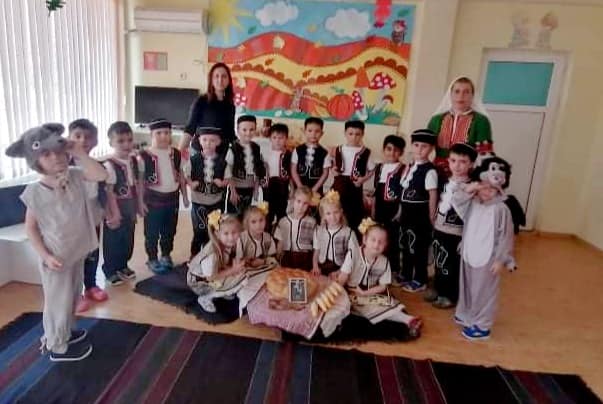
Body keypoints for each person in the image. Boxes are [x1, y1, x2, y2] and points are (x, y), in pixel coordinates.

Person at [6, 123, 107, 361]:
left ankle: (65, 332)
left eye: (59, 151)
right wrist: (46, 256)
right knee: (57, 303)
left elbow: (101, 175)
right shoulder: (35, 192)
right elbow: (31, 228)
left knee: (72, 296)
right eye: (46, 154)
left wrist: (79, 153)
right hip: (56, 259)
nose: (56, 158)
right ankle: (56, 345)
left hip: (76, 252)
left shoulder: (75, 176)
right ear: (35, 161)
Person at [452, 156, 516, 340]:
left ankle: (482, 325)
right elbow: (456, 199)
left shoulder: (501, 209)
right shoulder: (473, 203)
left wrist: (500, 259)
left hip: (488, 258)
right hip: (469, 253)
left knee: (484, 291)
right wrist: (471, 188)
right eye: (484, 187)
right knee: (467, 286)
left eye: (492, 189)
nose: (487, 192)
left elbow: (506, 237)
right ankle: (467, 313)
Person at [337, 218, 422, 338]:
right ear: (364, 240)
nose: (376, 244)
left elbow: (383, 286)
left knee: (388, 303)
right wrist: (337, 291)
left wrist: (365, 293)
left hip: (370, 292)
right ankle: (407, 320)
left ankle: (410, 320)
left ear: (385, 245)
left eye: (381, 242)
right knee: (366, 307)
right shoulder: (353, 254)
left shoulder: (384, 261)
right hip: (352, 292)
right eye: (373, 240)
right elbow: (343, 276)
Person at [425, 143, 477, 309]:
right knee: (439, 261)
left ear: (471, 164)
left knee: (452, 265)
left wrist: (466, 237)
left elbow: (473, 214)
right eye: (453, 160)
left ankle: (450, 295)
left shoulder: (472, 186)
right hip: (440, 229)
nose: (457, 165)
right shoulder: (445, 181)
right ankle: (438, 289)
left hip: (456, 233)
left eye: (463, 162)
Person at [67, 119, 108, 312]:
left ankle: (91, 285)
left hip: (94, 218)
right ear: (68, 139)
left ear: (95, 141)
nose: (83, 140)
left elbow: (103, 189)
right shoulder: (63, 165)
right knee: (76, 258)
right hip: (73, 222)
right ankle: (75, 294)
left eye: (88, 137)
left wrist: (107, 211)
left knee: (92, 254)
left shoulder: (96, 165)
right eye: (77, 136)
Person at [139, 118, 189, 274]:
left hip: (172, 200)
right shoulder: (144, 155)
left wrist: (185, 196)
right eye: (159, 133)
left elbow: (181, 176)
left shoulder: (176, 154)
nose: (163, 136)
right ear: (151, 135)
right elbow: (139, 182)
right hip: (152, 201)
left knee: (169, 230)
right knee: (152, 232)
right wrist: (140, 202)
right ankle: (152, 258)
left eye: (167, 133)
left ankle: (166, 255)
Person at [102, 122, 143, 286]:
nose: (126, 144)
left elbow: (137, 185)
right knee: (113, 240)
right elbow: (108, 192)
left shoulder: (134, 160)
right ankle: (110, 270)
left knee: (128, 238)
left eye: (129, 140)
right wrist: (113, 213)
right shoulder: (109, 165)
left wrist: (139, 205)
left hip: (130, 207)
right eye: (120, 141)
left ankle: (123, 265)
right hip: (116, 208)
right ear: (111, 143)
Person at [427, 76, 493, 177]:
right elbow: (425, 147)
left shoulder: (481, 121)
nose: (461, 96)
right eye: (457, 91)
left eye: (466, 92)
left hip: (466, 174)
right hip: (437, 172)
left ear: (472, 95)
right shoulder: (436, 119)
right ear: (450, 94)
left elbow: (484, 153)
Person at [399, 129, 438, 293]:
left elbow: (432, 194)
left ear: (431, 148)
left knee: (419, 247)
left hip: (420, 214)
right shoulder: (410, 167)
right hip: (406, 213)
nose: (419, 149)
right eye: (416, 145)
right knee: (406, 244)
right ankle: (406, 274)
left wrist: (432, 215)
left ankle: (420, 279)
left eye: (424, 146)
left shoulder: (429, 170)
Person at [187, 210, 246, 313]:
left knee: (241, 273)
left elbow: (222, 264)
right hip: (200, 285)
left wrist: (233, 269)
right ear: (217, 234)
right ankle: (206, 297)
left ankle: (223, 290)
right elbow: (210, 277)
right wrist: (232, 270)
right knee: (242, 278)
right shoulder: (212, 254)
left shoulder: (224, 245)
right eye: (226, 233)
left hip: (209, 277)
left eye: (234, 233)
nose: (231, 237)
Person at [185, 126, 230, 258]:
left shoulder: (223, 162)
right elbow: (186, 174)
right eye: (205, 140)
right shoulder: (193, 160)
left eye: (212, 140)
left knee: (213, 229)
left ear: (218, 142)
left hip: (216, 201)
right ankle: (194, 255)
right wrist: (191, 183)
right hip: (198, 201)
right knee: (199, 229)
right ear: (199, 141)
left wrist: (222, 183)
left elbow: (228, 178)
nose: (208, 143)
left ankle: (210, 254)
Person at [181, 62, 236, 156]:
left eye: (224, 76)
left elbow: (230, 134)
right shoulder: (201, 101)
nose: (220, 80)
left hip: (221, 155)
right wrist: (179, 153)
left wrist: (244, 145)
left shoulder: (230, 106)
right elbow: (190, 128)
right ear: (211, 80)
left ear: (228, 80)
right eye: (216, 76)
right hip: (200, 153)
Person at [332, 120, 375, 233]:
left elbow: (372, 170)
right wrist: (333, 170)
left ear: (362, 134)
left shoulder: (366, 152)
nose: (354, 137)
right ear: (345, 133)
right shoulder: (338, 149)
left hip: (355, 185)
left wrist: (363, 179)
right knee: (337, 208)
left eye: (357, 134)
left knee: (354, 211)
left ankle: (352, 235)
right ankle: (336, 232)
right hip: (339, 184)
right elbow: (334, 165)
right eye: (350, 134)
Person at [372, 134, 406, 277]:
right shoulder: (379, 167)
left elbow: (403, 193)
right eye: (389, 149)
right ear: (383, 149)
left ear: (401, 152)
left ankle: (394, 269)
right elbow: (376, 191)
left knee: (392, 239)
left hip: (394, 208)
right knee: (379, 237)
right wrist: (373, 210)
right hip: (380, 207)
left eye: (396, 150)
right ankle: (379, 267)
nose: (392, 153)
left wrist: (400, 211)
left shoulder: (403, 168)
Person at [226, 115, 266, 216]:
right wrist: (233, 191)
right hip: (236, 187)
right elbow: (228, 171)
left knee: (246, 214)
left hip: (250, 187)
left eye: (251, 129)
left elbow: (258, 169)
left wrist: (256, 188)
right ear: (238, 130)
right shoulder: (233, 148)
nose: (248, 133)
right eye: (244, 130)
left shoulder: (256, 148)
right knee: (234, 215)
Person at [312, 190, 359, 277]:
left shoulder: (349, 233)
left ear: (341, 212)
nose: (333, 217)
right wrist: (315, 266)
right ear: (323, 215)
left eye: (336, 212)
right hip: (321, 267)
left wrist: (340, 271)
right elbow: (316, 251)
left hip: (341, 268)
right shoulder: (318, 231)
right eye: (328, 213)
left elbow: (353, 256)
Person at [274, 186, 316, 270]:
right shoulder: (283, 221)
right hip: (286, 256)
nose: (301, 206)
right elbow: (280, 241)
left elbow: (316, 245)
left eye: (305, 203)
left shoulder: (312, 222)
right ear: (293, 201)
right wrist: (278, 257)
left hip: (304, 257)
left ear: (309, 204)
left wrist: (315, 264)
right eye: (298, 201)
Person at [291, 117, 331, 196]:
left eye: (317, 131)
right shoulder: (298, 150)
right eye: (310, 131)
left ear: (322, 133)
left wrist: (314, 189)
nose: (313, 134)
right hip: (299, 187)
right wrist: (300, 186)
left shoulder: (324, 153)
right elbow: (293, 170)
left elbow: (325, 173)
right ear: (304, 131)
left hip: (316, 189)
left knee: (314, 203)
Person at [263, 123, 292, 229]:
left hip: (282, 185)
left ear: (286, 139)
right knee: (268, 211)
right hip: (268, 186)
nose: (277, 141)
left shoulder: (289, 155)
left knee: (282, 210)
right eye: (274, 137)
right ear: (270, 138)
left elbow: (291, 173)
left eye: (281, 138)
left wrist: (292, 189)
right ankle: (267, 231)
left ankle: (281, 231)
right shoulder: (265, 154)